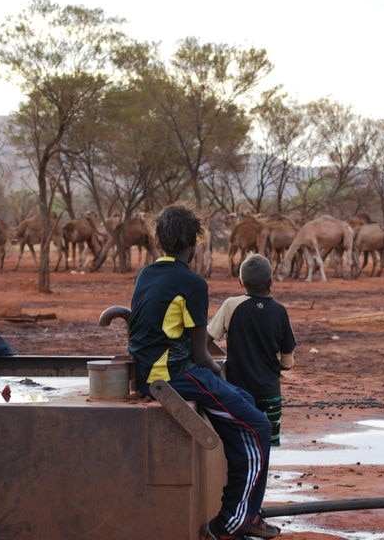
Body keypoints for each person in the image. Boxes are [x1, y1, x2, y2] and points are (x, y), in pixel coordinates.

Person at [127, 205, 279, 540]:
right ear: (193, 244)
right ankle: (232, 523)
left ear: (161, 241)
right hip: (172, 376)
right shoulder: (192, 283)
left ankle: (247, 510)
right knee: (258, 425)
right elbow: (200, 353)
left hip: (152, 370)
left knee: (242, 403)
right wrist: (220, 376)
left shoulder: (145, 273)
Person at [208, 253, 296, 447]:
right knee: (268, 444)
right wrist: (283, 364)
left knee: (243, 442)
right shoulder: (279, 311)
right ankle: (265, 476)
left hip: (239, 390)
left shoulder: (231, 305)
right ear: (271, 282)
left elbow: (208, 338)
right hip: (270, 392)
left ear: (240, 281)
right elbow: (287, 359)